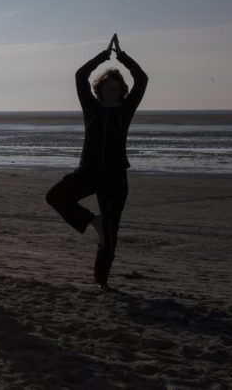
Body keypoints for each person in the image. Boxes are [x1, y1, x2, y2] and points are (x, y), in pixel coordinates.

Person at [45, 33, 148, 290]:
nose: (112, 92)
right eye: (108, 87)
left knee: (111, 231)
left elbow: (142, 79)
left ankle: (102, 281)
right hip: (89, 170)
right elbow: (80, 76)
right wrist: (104, 55)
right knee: (55, 196)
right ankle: (92, 221)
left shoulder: (125, 110)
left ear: (122, 92)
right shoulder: (91, 107)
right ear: (99, 88)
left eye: (117, 88)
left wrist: (122, 56)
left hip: (115, 176)